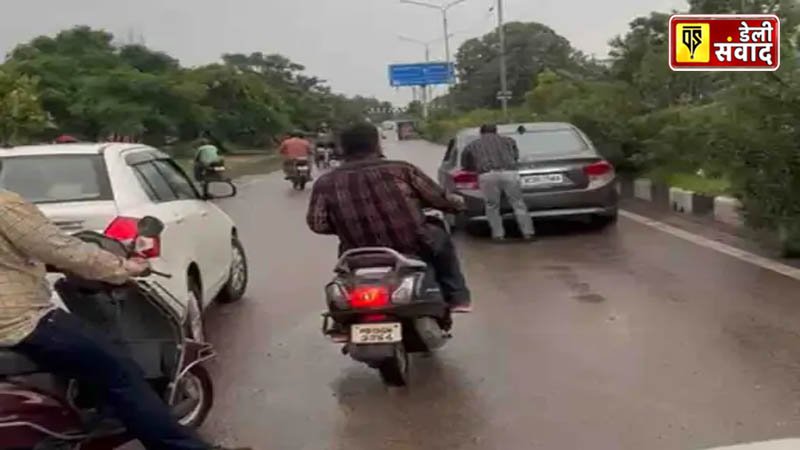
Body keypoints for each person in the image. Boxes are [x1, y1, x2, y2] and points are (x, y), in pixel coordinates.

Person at [0, 188, 246, 450]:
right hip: (19, 319)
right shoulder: (6, 205)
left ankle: (91, 420)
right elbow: (60, 248)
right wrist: (123, 268)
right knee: (120, 371)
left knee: (88, 359)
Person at [306, 122, 472, 313]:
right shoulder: (401, 170)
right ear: (377, 144)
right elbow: (438, 199)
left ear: (342, 148)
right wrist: (457, 205)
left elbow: (317, 224)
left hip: (357, 253)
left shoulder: (326, 181)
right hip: (413, 245)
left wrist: (345, 223)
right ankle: (457, 297)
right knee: (440, 236)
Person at [461, 124, 535, 242]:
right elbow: (515, 156)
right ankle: (528, 234)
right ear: (496, 131)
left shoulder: (472, 145)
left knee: (492, 206)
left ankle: (498, 236)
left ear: (481, 133)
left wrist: (476, 167)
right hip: (510, 173)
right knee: (518, 204)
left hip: (487, 175)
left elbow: (465, 164)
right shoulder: (509, 141)